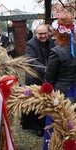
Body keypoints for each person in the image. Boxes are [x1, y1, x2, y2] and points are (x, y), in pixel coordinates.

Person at [43, 17, 76, 150]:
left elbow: (48, 79)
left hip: (60, 94)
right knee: (71, 126)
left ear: (57, 32)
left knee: (56, 127)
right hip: (74, 92)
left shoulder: (56, 52)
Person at [22, 24, 55, 137]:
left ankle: (46, 124)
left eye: (45, 33)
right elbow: (31, 61)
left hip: (47, 77)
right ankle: (37, 127)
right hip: (34, 77)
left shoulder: (51, 42)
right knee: (34, 103)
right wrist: (47, 69)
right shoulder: (30, 44)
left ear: (48, 33)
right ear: (36, 34)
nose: (43, 36)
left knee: (45, 102)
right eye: (40, 33)